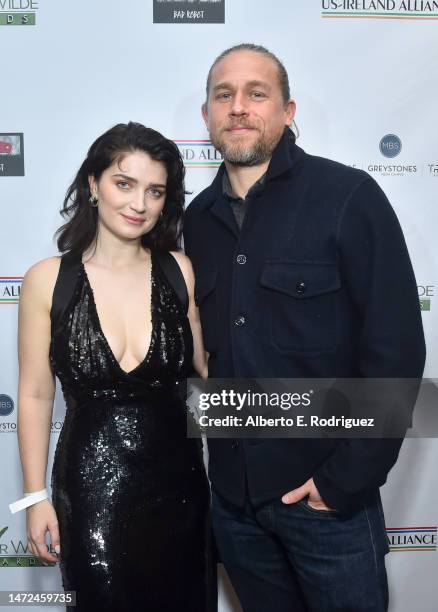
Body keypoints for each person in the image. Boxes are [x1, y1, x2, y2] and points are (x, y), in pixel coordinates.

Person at [183, 44, 426, 612]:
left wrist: (345, 481)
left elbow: (395, 349)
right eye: (224, 95)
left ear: (288, 111)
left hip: (325, 505)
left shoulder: (348, 197)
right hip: (235, 508)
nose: (239, 107)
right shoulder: (195, 221)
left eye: (256, 94)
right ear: (207, 117)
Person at [10, 122, 217, 611]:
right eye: (124, 184)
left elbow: (206, 378)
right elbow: (36, 395)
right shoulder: (47, 280)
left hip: (181, 492)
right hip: (88, 497)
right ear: (93, 184)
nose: (138, 204)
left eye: (155, 191)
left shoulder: (178, 270)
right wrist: (33, 498)